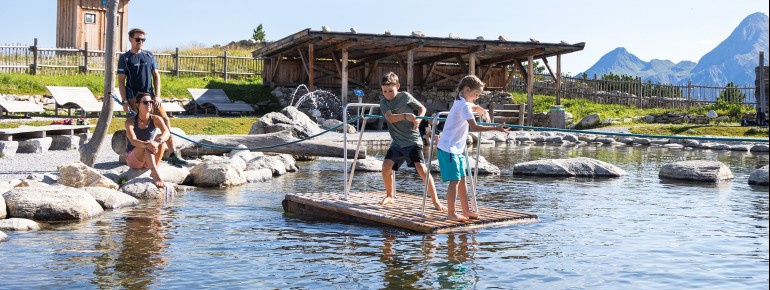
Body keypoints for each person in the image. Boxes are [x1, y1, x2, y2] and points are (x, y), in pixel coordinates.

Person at [437, 75, 508, 222]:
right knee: (454, 181)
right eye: (476, 94)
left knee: (462, 179)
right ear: (467, 89)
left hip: (455, 149)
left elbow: (473, 107)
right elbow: (474, 127)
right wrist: (495, 128)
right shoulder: (463, 106)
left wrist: (483, 111)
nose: (476, 97)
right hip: (449, 149)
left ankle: (466, 210)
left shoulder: (461, 101)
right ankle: (451, 212)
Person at [118, 28, 187, 167]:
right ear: (130, 39)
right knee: (133, 123)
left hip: (150, 97)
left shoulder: (149, 55)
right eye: (138, 39)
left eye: (143, 40)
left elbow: (156, 76)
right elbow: (121, 82)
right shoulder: (125, 58)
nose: (140, 42)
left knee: (165, 120)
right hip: (134, 98)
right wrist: (124, 101)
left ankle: (173, 153)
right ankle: (130, 155)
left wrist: (157, 95)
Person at [379, 72, 445, 211]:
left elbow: (422, 108)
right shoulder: (384, 102)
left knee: (422, 170)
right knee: (386, 167)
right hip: (397, 143)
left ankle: (436, 201)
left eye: (391, 91)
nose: (388, 94)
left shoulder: (405, 97)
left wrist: (419, 118)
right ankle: (390, 195)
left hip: (413, 141)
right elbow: (390, 118)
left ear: (397, 86)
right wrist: (405, 116)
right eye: (385, 91)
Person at [125, 93, 171, 188]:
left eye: (151, 102)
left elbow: (167, 132)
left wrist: (157, 142)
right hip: (135, 158)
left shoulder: (156, 119)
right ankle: (155, 174)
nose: (149, 104)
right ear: (138, 105)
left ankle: (155, 168)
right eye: (145, 102)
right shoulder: (130, 121)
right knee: (146, 145)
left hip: (149, 156)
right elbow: (133, 140)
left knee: (160, 138)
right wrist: (148, 144)